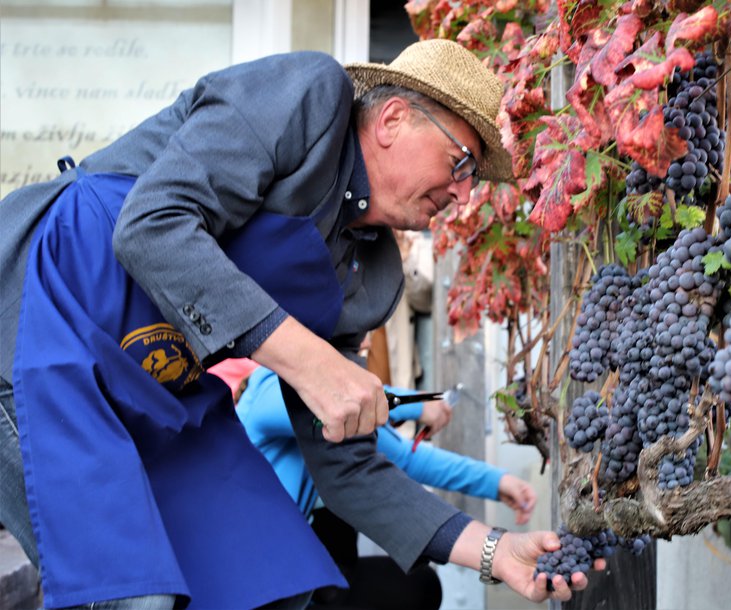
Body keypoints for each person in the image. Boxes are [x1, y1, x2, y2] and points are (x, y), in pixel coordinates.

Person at [0, 39, 599, 609]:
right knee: (130, 593)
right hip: (41, 326)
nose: (464, 194)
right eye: (462, 162)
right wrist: (310, 362)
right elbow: (153, 225)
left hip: (157, 383)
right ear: (393, 120)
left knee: (263, 575)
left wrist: (495, 550)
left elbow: (347, 461)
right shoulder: (311, 98)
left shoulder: (370, 270)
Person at [235, 365, 538, 610]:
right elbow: (332, 405)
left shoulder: (340, 424)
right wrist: (418, 403)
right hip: (257, 585)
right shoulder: (265, 392)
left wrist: (496, 482)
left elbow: (406, 458)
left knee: (421, 586)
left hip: (303, 575)